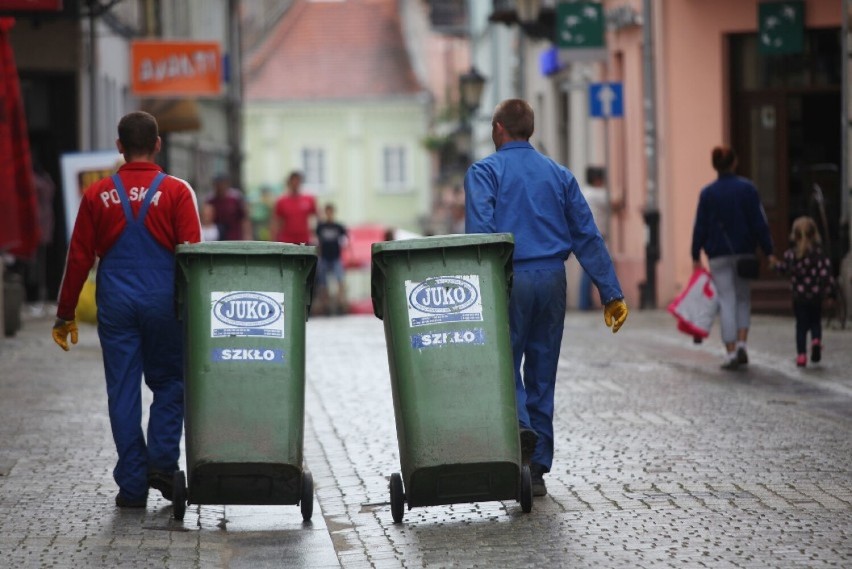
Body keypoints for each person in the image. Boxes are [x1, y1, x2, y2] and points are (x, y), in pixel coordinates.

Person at [464, 99, 628, 497]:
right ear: (530, 129)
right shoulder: (559, 175)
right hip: (553, 278)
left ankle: (520, 430)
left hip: (508, 276)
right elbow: (586, 234)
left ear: (499, 128)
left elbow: (481, 233)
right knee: (542, 371)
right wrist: (611, 292)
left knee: (504, 362)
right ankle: (537, 468)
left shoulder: (485, 172)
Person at [51, 111, 202, 508]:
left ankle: (133, 485)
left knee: (122, 391)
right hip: (165, 300)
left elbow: (79, 258)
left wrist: (65, 312)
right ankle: (163, 465)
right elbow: (194, 259)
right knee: (170, 381)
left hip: (116, 301)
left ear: (119, 147)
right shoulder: (177, 192)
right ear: (157, 144)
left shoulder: (96, 194)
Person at [691, 145, 776, 370]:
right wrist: (769, 251)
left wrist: (695, 254)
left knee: (726, 300)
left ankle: (729, 354)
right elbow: (759, 222)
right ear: (735, 162)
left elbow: (700, 226)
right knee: (743, 298)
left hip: (718, 254)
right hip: (744, 253)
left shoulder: (708, 193)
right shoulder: (748, 189)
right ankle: (741, 344)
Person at [772, 216, 836, 367]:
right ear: (814, 234)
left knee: (801, 326)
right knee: (815, 322)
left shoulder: (791, 255)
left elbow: (784, 269)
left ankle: (801, 356)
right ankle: (816, 341)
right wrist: (830, 293)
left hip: (799, 297)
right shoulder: (819, 255)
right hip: (815, 296)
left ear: (794, 235)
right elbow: (826, 275)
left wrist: (775, 265)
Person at [578, 167, 609, 311]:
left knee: (587, 268)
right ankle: (585, 303)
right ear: (597, 180)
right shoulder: (597, 193)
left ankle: (586, 301)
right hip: (595, 234)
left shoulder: (584, 191)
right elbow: (612, 202)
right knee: (591, 269)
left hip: (585, 233)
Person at [315, 203, 348, 315]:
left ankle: (341, 303)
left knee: (340, 280)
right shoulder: (321, 227)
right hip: (324, 257)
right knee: (323, 283)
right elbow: (317, 242)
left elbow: (345, 241)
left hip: (336, 257)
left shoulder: (339, 227)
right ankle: (325, 304)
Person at [272, 171, 317, 245]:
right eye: (293, 180)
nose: (295, 183)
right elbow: (276, 222)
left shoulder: (309, 199)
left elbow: (316, 217)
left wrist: (314, 235)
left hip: (304, 240)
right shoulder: (281, 201)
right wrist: (274, 239)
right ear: (289, 182)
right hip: (286, 240)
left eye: (297, 180)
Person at [205, 173, 251, 240]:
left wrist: (247, 235)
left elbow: (244, 218)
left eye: (222, 184)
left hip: (235, 236)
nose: (220, 187)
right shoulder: (210, 200)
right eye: (217, 184)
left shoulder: (235, 198)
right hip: (217, 237)